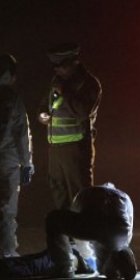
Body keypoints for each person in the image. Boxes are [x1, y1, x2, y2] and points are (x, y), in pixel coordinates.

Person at [38, 42, 102, 210]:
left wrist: (65, 92)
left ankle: (82, 233)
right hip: (55, 149)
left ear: (74, 62)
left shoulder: (89, 83)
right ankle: (65, 232)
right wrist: (42, 115)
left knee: (80, 196)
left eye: (60, 65)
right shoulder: (56, 81)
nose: (56, 69)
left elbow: (82, 112)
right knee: (58, 191)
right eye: (54, 66)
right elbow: (44, 104)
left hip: (76, 148)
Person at [45, 182, 136, 279]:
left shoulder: (85, 193)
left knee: (53, 219)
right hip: (119, 231)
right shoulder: (125, 197)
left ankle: (64, 269)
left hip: (93, 226)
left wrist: (87, 256)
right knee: (107, 259)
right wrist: (120, 249)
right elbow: (128, 231)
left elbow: (79, 236)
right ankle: (119, 266)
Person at [0, 54, 34, 258]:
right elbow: (22, 135)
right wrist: (27, 164)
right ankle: (7, 254)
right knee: (7, 210)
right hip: (9, 162)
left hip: (8, 161)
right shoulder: (13, 99)